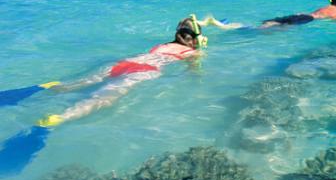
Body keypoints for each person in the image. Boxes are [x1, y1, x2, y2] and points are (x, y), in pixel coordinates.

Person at [37, 15, 211, 127]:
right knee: (105, 97)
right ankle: (62, 117)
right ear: (195, 39)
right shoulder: (192, 52)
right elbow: (194, 72)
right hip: (146, 70)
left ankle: (46, 87)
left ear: (177, 33)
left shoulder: (162, 45)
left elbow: (185, 25)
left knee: (83, 82)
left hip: (125, 62)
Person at [207, 0, 336, 30]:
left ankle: (228, 24)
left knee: (268, 24)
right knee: (258, 31)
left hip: (301, 15)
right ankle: (226, 26)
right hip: (305, 20)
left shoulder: (327, 7)